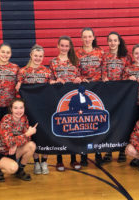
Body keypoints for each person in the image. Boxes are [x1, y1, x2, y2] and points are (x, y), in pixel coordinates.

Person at [16, 44, 54, 175]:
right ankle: (36, 161)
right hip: (30, 110)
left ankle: (44, 161)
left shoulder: (47, 71)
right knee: (33, 136)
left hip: (44, 109)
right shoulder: (23, 72)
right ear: (31, 55)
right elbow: (18, 91)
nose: (38, 58)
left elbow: (52, 89)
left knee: (45, 135)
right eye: (36, 55)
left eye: (41, 56)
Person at [50, 36, 82, 171]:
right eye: (62, 45)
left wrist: (79, 78)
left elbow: (81, 76)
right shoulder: (53, 62)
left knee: (73, 128)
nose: (64, 48)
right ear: (58, 46)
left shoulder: (75, 61)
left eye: (66, 46)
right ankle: (59, 159)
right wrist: (55, 81)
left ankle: (74, 159)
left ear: (70, 47)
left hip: (73, 99)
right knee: (61, 128)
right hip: (59, 99)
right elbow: (49, 80)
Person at [0, 98, 37, 182]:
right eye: (15, 108)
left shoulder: (24, 118)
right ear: (11, 109)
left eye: (21, 108)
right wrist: (27, 134)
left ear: (24, 108)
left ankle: (20, 170)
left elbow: (27, 139)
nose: (19, 111)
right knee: (13, 167)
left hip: (9, 151)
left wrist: (15, 145)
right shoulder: (6, 119)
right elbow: (9, 142)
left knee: (31, 145)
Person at [101, 32, 132, 163]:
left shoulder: (126, 57)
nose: (113, 43)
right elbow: (102, 73)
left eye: (115, 40)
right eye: (110, 41)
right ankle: (109, 150)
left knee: (122, 122)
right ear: (108, 42)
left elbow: (129, 73)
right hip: (109, 94)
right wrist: (104, 78)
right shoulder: (105, 56)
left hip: (123, 94)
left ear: (119, 42)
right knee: (110, 121)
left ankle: (122, 149)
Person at [75, 27, 104, 166]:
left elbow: (105, 68)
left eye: (89, 36)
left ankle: (98, 152)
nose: (87, 39)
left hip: (98, 89)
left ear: (93, 37)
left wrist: (104, 78)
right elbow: (74, 71)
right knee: (83, 122)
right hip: (83, 90)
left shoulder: (100, 52)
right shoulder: (77, 53)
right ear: (81, 38)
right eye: (84, 37)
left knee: (97, 121)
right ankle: (83, 154)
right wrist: (80, 78)